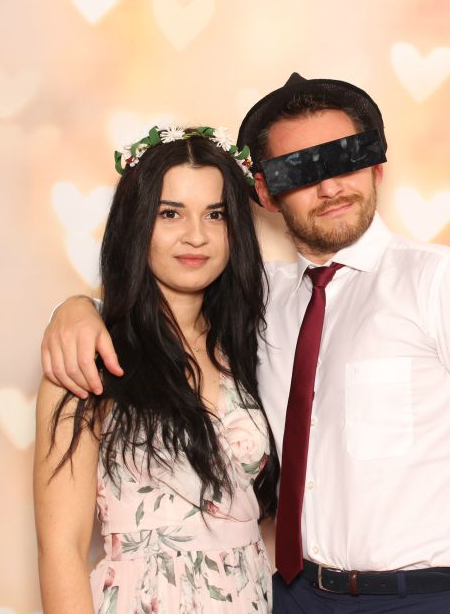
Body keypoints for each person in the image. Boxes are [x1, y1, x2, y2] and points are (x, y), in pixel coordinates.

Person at [43, 74, 450, 613]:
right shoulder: (264, 304)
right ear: (266, 193)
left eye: (347, 159)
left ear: (377, 166)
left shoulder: (445, 283)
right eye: (301, 170)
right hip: (293, 598)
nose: (330, 186)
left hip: (425, 597)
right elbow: (152, 302)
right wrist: (75, 309)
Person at [33, 125, 279, 614]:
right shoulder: (90, 356)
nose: (196, 235)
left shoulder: (254, 347)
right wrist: (76, 307)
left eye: (216, 214)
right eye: (170, 213)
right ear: (136, 223)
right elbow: (61, 548)